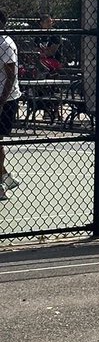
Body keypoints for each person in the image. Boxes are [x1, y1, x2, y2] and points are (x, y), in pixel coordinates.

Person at [0, 11, 22, 200]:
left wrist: (1, 102)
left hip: (5, 100)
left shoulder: (5, 44)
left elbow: (11, 75)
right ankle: (5, 177)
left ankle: (1, 183)